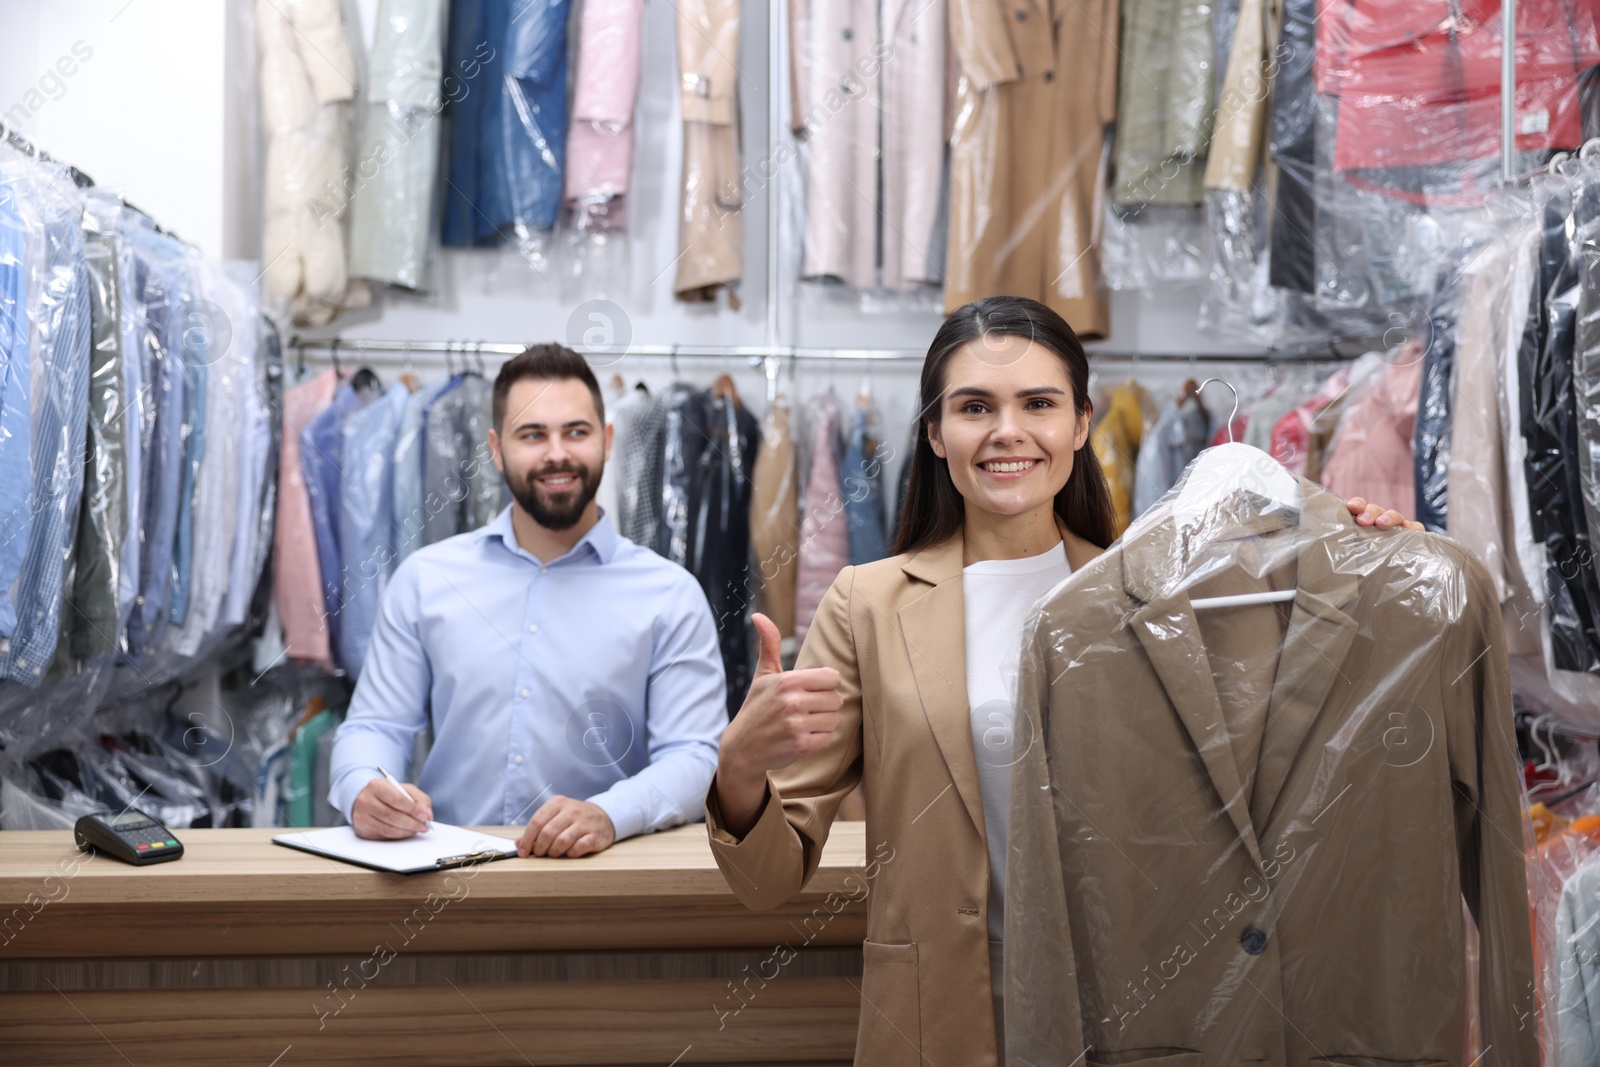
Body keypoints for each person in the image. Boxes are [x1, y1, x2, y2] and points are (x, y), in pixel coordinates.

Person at [703, 296, 1420, 1066]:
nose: (1007, 430)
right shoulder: (867, 604)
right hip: (940, 1015)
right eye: (975, 406)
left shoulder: (1165, 590)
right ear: (937, 434)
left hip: (1125, 1011)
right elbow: (768, 879)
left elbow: (1285, 762)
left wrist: (1370, 569)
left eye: (1037, 404)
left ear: (1079, 424)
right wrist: (740, 767)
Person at [328, 344, 727, 858]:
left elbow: (697, 755)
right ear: (496, 448)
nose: (556, 453)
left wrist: (611, 813)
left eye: (576, 432)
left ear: (607, 442)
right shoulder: (426, 581)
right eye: (532, 434)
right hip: (442, 878)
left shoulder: (671, 596)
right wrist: (363, 786)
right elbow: (375, 726)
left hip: (606, 882)